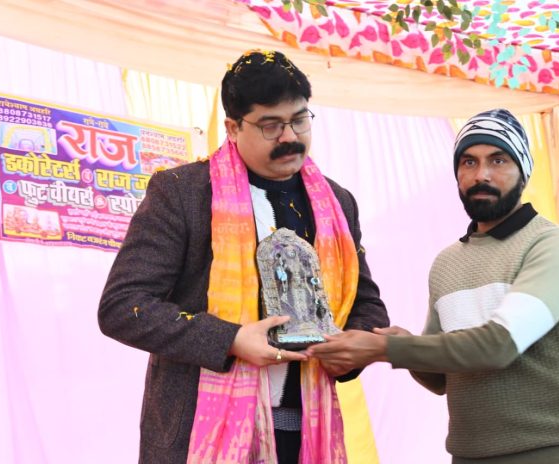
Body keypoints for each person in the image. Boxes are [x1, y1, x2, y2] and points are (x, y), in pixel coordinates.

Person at [98, 49, 388, 464]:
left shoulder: (336, 203)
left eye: (300, 119)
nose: (289, 136)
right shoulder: (182, 193)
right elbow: (123, 307)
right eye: (271, 125)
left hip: (305, 434)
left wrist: (354, 347)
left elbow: (365, 303)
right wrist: (231, 339)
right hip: (200, 433)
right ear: (233, 127)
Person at [308, 109, 559, 463]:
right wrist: (398, 342)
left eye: (498, 160)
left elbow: (498, 346)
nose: (481, 175)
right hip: (466, 454)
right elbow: (441, 380)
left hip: (548, 452)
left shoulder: (553, 246)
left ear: (523, 170)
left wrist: (385, 348)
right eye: (468, 162)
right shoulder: (447, 262)